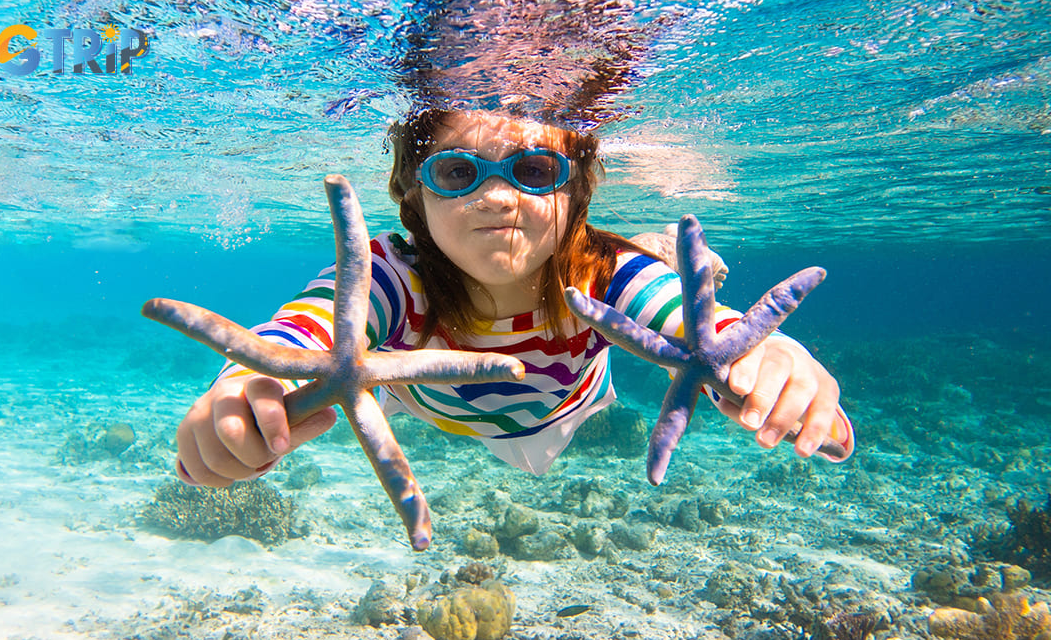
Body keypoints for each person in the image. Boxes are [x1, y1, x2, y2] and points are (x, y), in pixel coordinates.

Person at [174, 107, 853, 488]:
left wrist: (766, 355)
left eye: (532, 170)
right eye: (459, 171)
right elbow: (307, 326)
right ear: (415, 193)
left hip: (569, 407)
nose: (497, 196)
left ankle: (658, 249)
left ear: (578, 190)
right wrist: (247, 383)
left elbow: (688, 323)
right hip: (424, 404)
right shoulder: (389, 275)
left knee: (639, 266)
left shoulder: (603, 277)